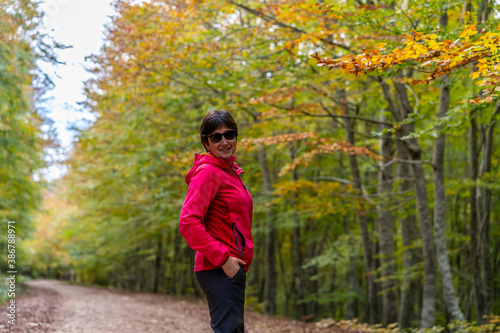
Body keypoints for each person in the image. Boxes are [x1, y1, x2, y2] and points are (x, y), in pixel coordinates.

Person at [179, 109, 253, 333]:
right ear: (206, 142)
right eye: (216, 137)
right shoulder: (208, 172)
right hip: (218, 267)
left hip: (230, 268)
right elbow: (188, 222)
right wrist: (223, 259)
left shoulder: (228, 172)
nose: (224, 141)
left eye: (229, 134)